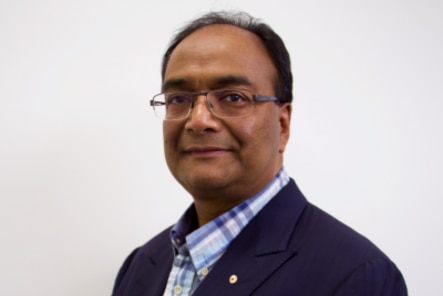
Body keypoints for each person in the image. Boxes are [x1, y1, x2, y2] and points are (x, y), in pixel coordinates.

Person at [112, 11, 407, 296]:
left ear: (283, 123)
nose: (199, 120)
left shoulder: (356, 275)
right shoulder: (141, 265)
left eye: (233, 97)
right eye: (178, 98)